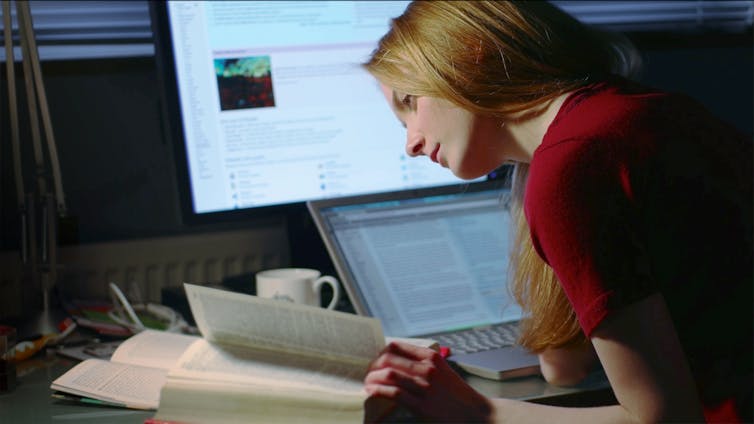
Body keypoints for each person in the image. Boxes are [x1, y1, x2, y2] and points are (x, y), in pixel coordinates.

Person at [361, 1, 752, 422]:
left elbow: (661, 418)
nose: (412, 144)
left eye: (410, 103)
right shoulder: (630, 111)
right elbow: (563, 368)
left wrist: (476, 409)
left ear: (468, 55)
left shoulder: (574, 167)